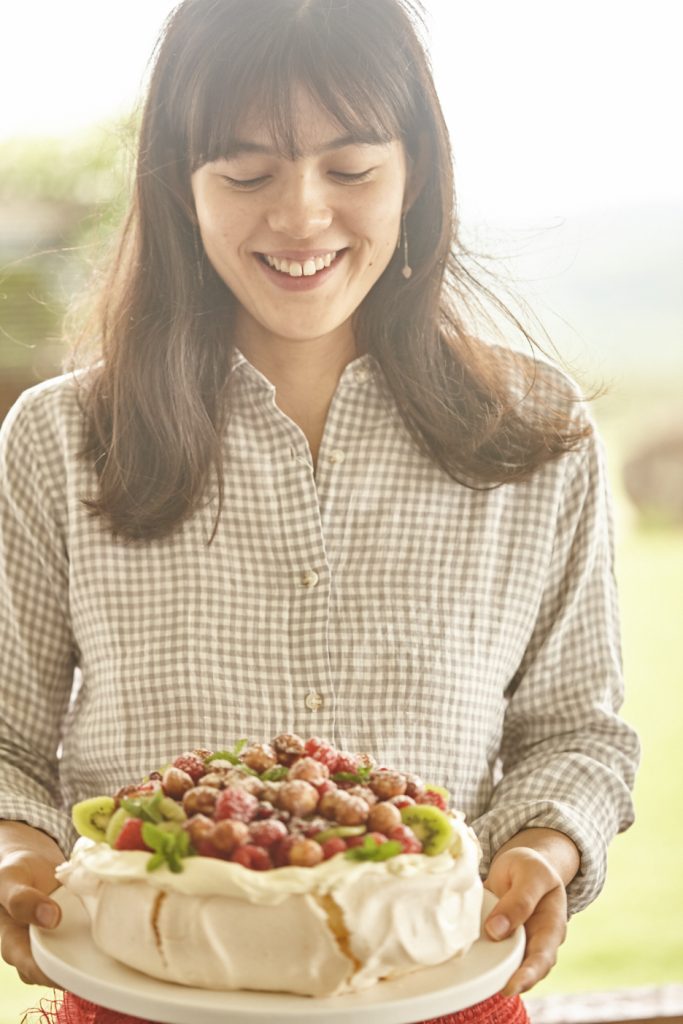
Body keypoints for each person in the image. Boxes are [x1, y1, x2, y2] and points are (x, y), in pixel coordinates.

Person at [0, 1, 639, 1022]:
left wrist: (541, 848)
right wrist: (20, 854)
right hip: (138, 996)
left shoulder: (535, 431)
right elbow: (5, 739)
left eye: (349, 169)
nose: (300, 216)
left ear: (415, 173)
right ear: (179, 184)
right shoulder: (59, 438)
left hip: (436, 995)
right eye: (246, 173)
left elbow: (576, 735)